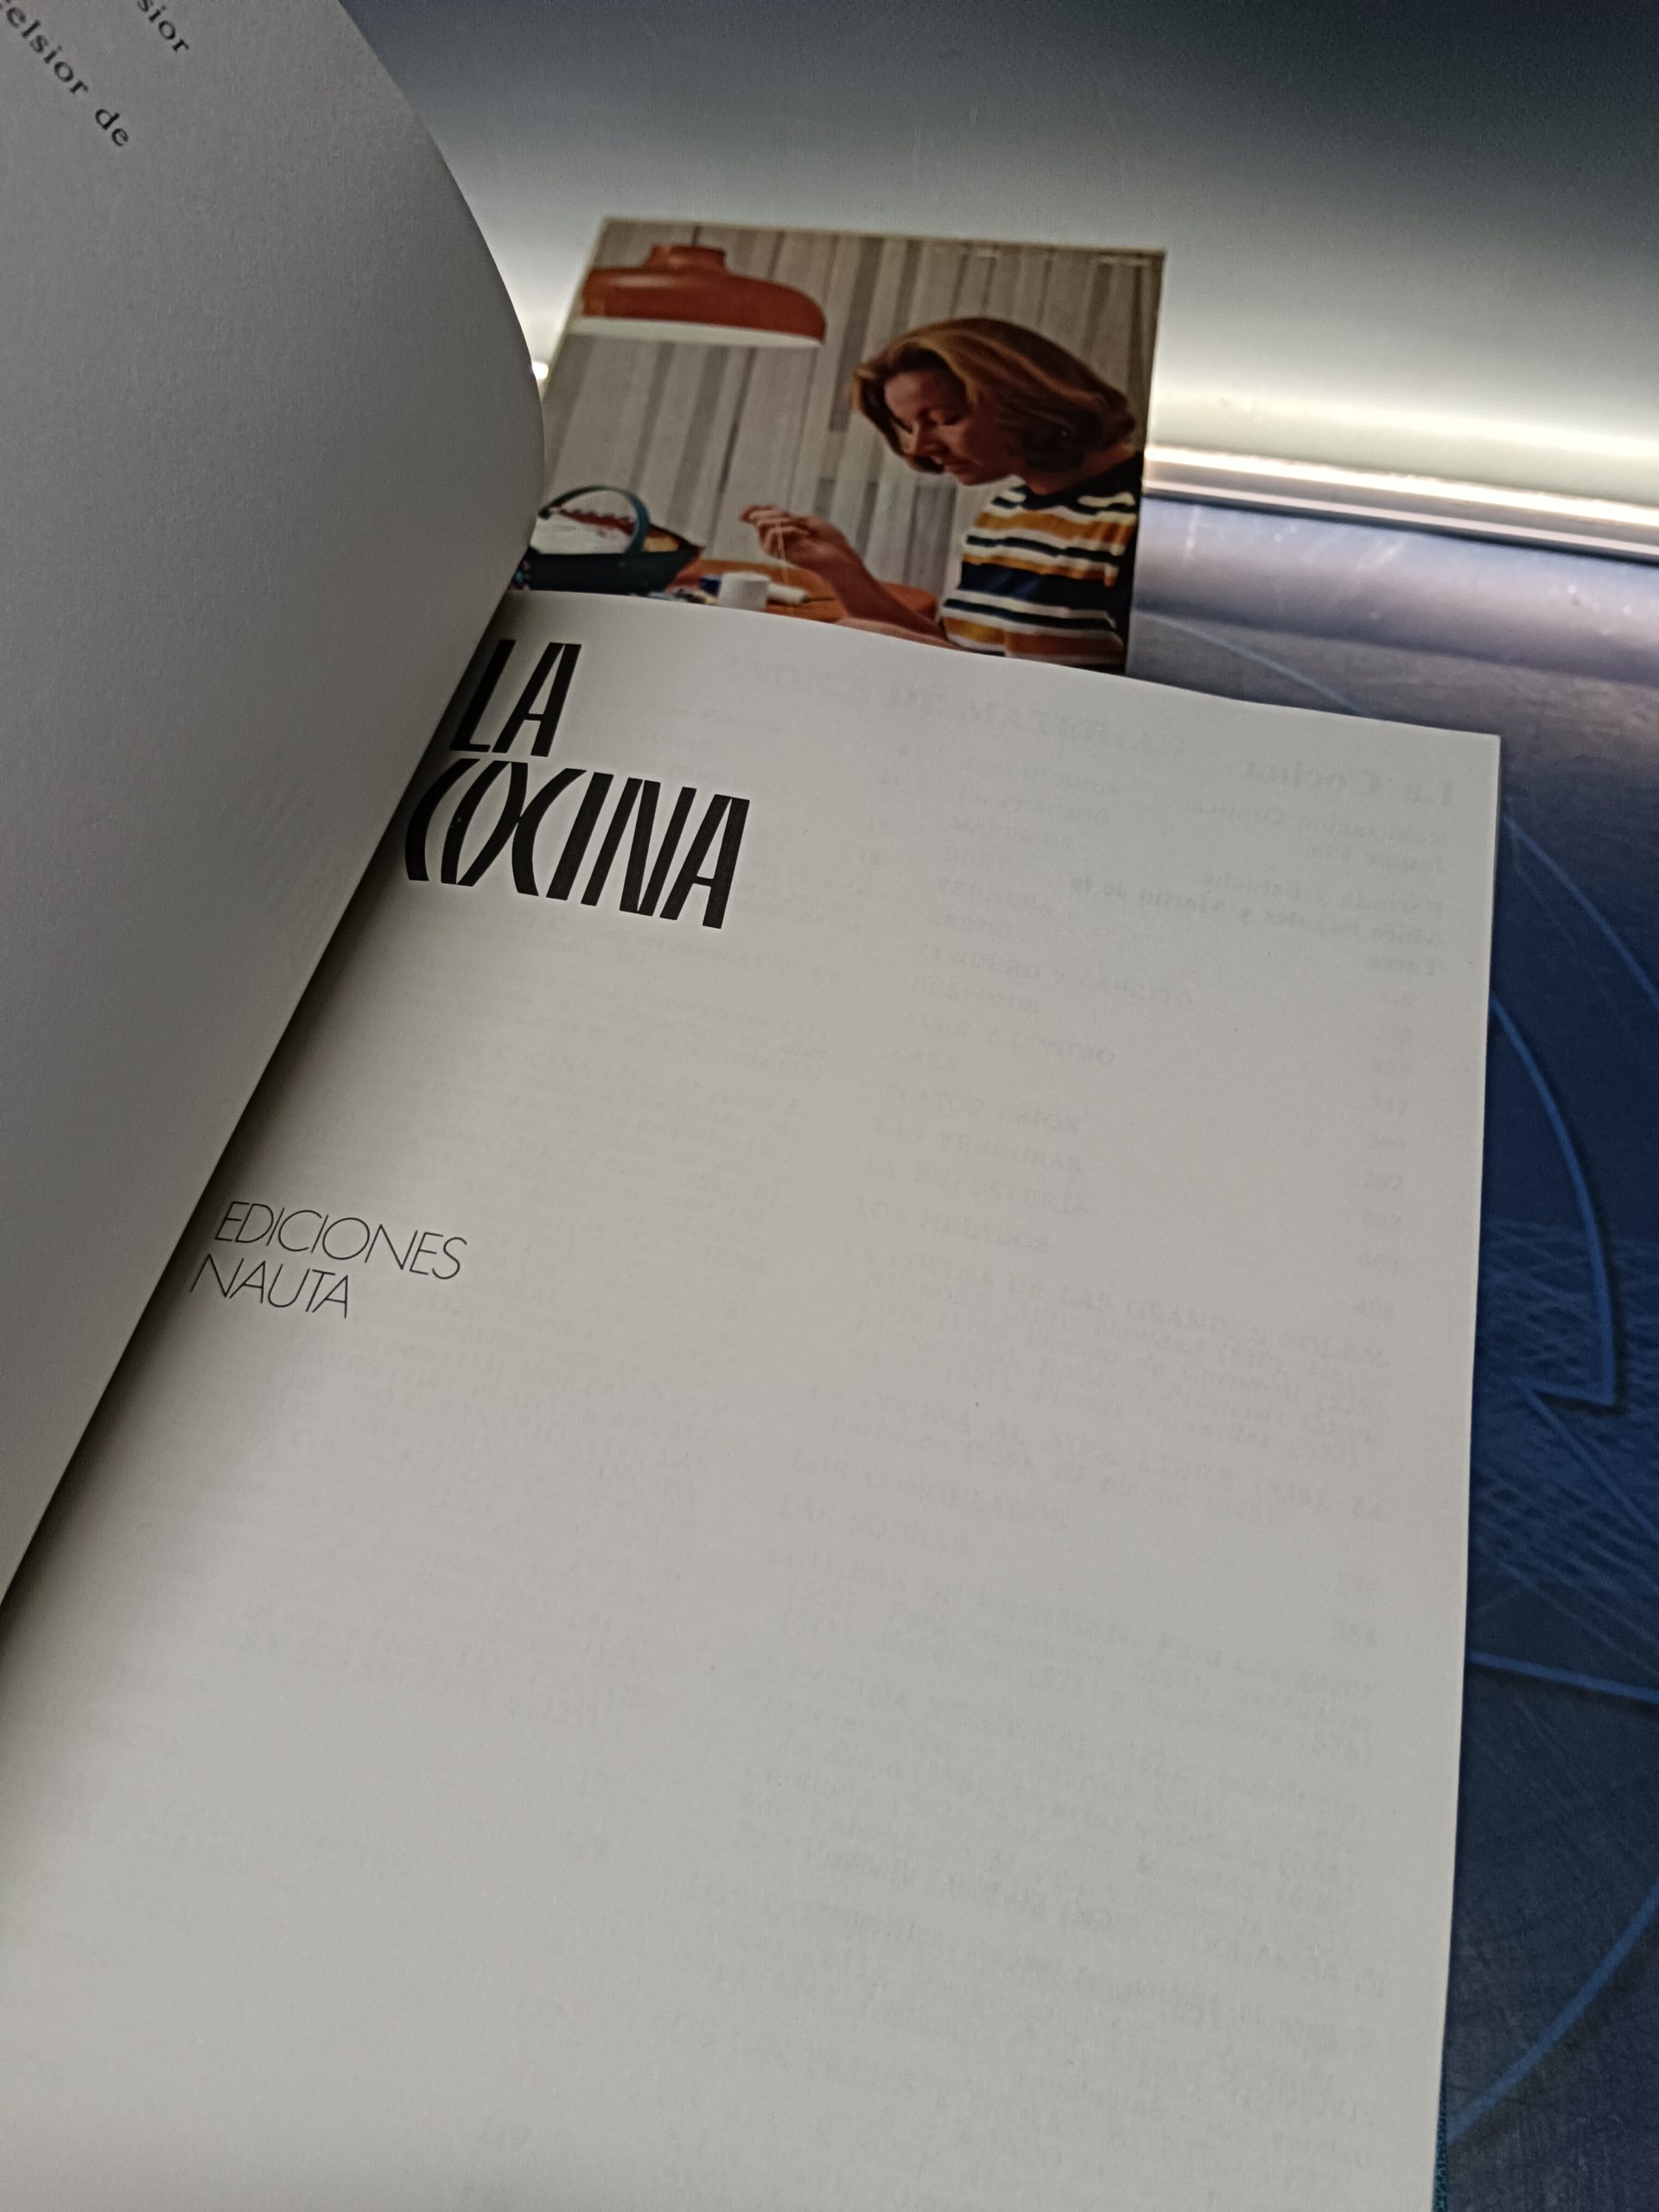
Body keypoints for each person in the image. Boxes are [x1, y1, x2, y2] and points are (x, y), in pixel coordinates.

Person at [742, 317, 1141, 672]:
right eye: (908, 427)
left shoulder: (1141, 521)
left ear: (1028, 401)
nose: (918, 447)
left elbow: (1160, 706)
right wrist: (840, 569)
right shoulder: (1004, 512)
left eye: (944, 419)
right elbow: (959, 654)